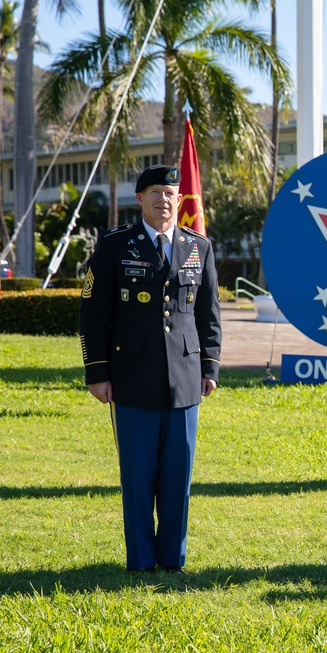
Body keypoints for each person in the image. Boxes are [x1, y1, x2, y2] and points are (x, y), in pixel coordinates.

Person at [79, 164, 222, 573]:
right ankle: (141, 560)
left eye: (171, 192)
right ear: (139, 198)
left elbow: (209, 315)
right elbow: (92, 313)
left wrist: (210, 366)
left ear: (180, 200)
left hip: (185, 378)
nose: (164, 198)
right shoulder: (114, 245)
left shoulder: (199, 247)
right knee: (139, 479)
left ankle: (172, 560)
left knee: (178, 478)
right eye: (155, 191)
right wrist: (97, 372)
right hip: (131, 377)